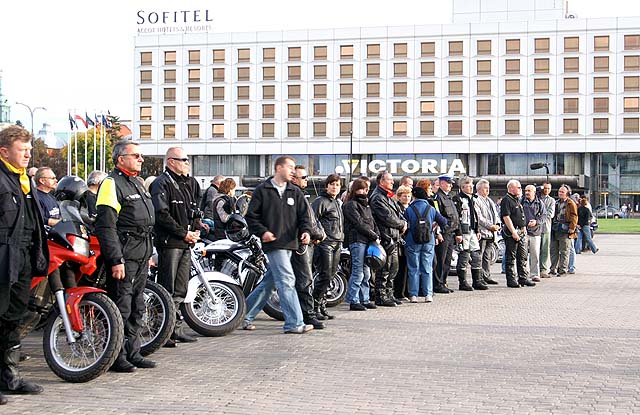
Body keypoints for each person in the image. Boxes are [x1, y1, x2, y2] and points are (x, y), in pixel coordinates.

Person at [94, 140, 157, 372]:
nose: (141, 159)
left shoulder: (137, 182)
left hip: (141, 252)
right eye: (136, 155)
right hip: (125, 254)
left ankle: (133, 352)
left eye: (141, 155)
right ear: (121, 159)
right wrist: (115, 260)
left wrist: (148, 253)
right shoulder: (111, 183)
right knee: (122, 306)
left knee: (137, 305)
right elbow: (106, 226)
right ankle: (117, 356)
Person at [0, 126, 49, 403]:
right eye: (23, 149)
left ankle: (9, 376)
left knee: (14, 317)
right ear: (4, 151)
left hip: (23, 259)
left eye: (30, 149)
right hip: (3, 258)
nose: (29, 154)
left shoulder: (24, 180)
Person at [242, 156, 313, 334]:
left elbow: (304, 216)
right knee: (287, 280)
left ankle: (243, 315)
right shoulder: (262, 190)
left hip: (290, 243)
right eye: (290, 167)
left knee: (269, 283)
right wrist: (263, 232)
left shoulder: (294, 191)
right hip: (273, 243)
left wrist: (306, 231)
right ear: (278, 168)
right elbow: (251, 216)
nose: (293, 171)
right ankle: (294, 323)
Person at [149, 147, 201, 348]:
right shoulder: (161, 183)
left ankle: (175, 329)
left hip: (185, 243)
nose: (187, 163)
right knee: (167, 288)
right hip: (169, 243)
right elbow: (161, 214)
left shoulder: (188, 183)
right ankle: (162, 331)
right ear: (171, 161)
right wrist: (183, 233)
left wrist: (196, 230)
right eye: (183, 160)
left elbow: (194, 211)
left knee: (181, 289)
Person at [290, 165, 326, 329]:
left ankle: (248, 314)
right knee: (305, 280)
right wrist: (318, 234)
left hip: (303, 241)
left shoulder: (300, 194)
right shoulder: (295, 194)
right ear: (294, 178)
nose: (306, 180)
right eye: (303, 177)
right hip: (299, 243)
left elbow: (311, 218)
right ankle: (307, 315)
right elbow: (307, 220)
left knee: (271, 284)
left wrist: (318, 234)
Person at [404, 183, 447, 303]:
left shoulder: (409, 209)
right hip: (428, 241)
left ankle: (413, 295)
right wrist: (434, 225)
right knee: (427, 268)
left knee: (413, 268)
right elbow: (444, 221)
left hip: (412, 241)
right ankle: (428, 294)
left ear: (414, 196)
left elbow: (403, 222)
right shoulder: (431, 209)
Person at [369, 171, 407, 307]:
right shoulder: (377, 198)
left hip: (394, 237)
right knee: (385, 269)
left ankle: (389, 294)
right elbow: (387, 218)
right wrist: (402, 224)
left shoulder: (388, 197)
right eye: (389, 180)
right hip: (385, 237)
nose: (392, 182)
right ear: (381, 181)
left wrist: (403, 222)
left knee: (393, 268)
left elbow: (399, 214)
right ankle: (381, 296)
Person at [311, 174, 344, 320]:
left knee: (330, 275)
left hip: (337, 242)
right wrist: (319, 236)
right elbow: (312, 220)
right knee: (324, 276)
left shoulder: (336, 202)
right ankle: (314, 307)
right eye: (332, 184)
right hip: (325, 243)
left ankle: (322, 306)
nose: (335, 187)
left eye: (337, 184)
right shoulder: (320, 201)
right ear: (326, 186)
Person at [343, 178, 379, 310]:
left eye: (366, 189)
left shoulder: (366, 205)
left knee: (366, 272)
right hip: (357, 240)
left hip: (367, 241)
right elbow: (358, 223)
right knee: (358, 272)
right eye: (362, 189)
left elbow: (372, 222)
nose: (365, 191)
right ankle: (353, 300)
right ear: (355, 190)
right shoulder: (351, 205)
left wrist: (376, 234)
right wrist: (373, 235)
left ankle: (365, 299)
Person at [452, 177, 487, 291]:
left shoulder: (473, 198)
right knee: (464, 255)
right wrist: (458, 233)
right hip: (464, 231)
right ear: (462, 187)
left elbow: (475, 216)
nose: (471, 187)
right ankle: (463, 282)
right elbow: (456, 217)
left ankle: (477, 281)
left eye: (472, 184)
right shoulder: (458, 199)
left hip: (472, 231)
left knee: (476, 255)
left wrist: (477, 230)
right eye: (468, 184)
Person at [501, 180, 536, 288]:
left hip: (521, 231)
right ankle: (511, 280)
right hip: (512, 232)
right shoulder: (506, 200)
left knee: (523, 256)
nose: (521, 190)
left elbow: (520, 215)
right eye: (519, 187)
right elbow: (506, 217)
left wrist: (523, 227)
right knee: (511, 257)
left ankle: (523, 278)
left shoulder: (517, 200)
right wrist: (513, 232)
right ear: (511, 188)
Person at [434, 174, 462, 293]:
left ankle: (443, 282)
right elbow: (437, 216)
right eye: (448, 183)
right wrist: (438, 233)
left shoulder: (449, 197)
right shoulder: (437, 197)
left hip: (451, 232)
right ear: (441, 183)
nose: (450, 185)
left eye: (451, 183)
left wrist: (458, 232)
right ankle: (438, 284)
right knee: (441, 259)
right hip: (444, 232)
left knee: (447, 260)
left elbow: (455, 217)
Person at [473, 178, 500, 285]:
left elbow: (496, 214)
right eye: (485, 188)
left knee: (487, 256)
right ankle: (480, 278)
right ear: (479, 189)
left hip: (491, 234)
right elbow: (478, 217)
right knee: (479, 256)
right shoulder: (476, 200)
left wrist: (497, 224)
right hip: (483, 232)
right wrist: (490, 226)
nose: (487, 190)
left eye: (488, 188)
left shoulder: (489, 200)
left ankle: (487, 276)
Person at [550, 185, 578, 277]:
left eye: (562, 192)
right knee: (554, 251)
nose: (560, 193)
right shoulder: (556, 202)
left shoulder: (570, 203)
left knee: (564, 251)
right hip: (555, 229)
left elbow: (574, 216)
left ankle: (562, 270)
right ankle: (553, 269)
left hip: (565, 230)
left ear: (567, 193)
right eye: (559, 191)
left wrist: (572, 228)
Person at [522, 185, 545, 282]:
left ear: (534, 192)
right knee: (523, 255)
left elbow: (544, 216)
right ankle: (523, 273)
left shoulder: (540, 203)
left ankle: (535, 274)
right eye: (526, 191)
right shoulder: (521, 201)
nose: (527, 192)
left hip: (535, 232)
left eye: (529, 191)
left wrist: (536, 222)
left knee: (535, 254)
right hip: (524, 232)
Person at [393, 185, 412, 301]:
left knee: (407, 267)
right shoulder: (397, 208)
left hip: (409, 240)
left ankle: (407, 291)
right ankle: (399, 292)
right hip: (400, 240)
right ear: (399, 197)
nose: (407, 198)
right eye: (404, 196)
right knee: (401, 268)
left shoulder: (410, 208)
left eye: (408, 196)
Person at [538, 182, 556, 278]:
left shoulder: (551, 200)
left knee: (545, 250)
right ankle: (534, 269)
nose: (547, 190)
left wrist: (539, 218)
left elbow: (550, 214)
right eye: (545, 188)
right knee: (534, 250)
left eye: (549, 188)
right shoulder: (537, 198)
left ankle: (543, 269)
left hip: (546, 228)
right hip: (535, 229)